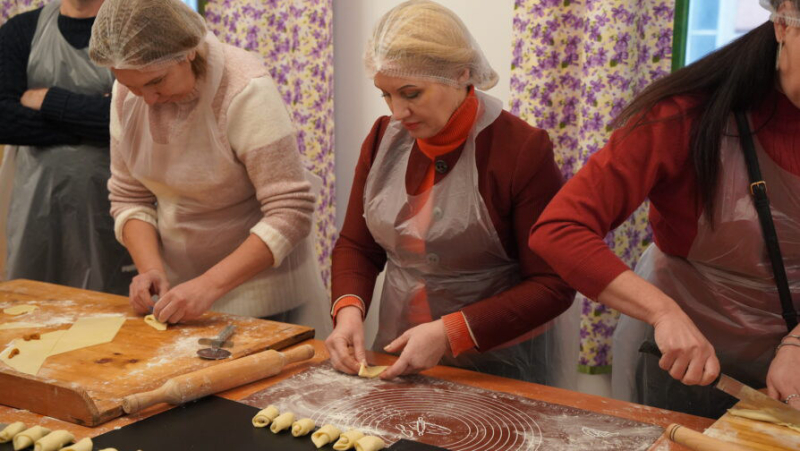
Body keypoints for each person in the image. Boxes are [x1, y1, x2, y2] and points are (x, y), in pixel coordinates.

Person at [530, 0, 800, 417]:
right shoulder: (686, 115)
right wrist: (662, 312)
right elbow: (560, 229)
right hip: (684, 359)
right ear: (783, 22)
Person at [326, 0, 575, 383]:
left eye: (411, 93)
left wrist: (450, 332)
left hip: (501, 361)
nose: (397, 112)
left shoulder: (519, 150)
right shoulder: (382, 140)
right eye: (386, 95)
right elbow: (358, 246)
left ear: (460, 75)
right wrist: (348, 312)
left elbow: (552, 284)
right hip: (398, 347)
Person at [88, 0, 330, 334]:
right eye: (131, 86)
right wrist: (152, 270)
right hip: (181, 291)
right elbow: (130, 197)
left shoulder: (245, 89)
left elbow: (290, 212)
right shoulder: (128, 94)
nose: (148, 100)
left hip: (264, 299)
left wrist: (209, 286)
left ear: (187, 52)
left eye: (156, 82)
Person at [0, 0, 133, 293]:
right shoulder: (21, 31)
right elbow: (4, 120)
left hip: (115, 202)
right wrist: (92, 122)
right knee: (33, 305)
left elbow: (134, 118)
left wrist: (48, 101)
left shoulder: (131, 28)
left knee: (114, 311)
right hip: (37, 205)